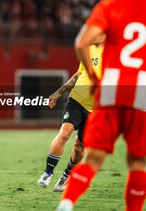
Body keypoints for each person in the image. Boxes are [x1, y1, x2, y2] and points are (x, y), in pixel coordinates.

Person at [57, 0, 146, 210]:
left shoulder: (109, 5)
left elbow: (81, 43)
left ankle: (67, 203)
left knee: (92, 157)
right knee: (137, 162)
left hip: (111, 88)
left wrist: (93, 79)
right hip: (143, 91)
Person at [37, 40, 104, 192]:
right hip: (77, 100)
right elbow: (78, 74)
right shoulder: (88, 49)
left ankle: (66, 176)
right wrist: (59, 92)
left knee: (79, 148)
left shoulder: (114, 52)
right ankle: (47, 173)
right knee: (64, 134)